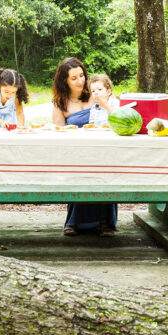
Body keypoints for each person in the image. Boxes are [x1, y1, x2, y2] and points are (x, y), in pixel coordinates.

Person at [51, 57, 117, 237]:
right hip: (76, 152)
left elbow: (115, 115)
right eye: (74, 78)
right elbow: (58, 132)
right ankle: (74, 221)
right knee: (80, 172)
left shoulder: (96, 93)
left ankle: (106, 222)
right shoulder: (61, 103)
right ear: (65, 81)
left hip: (102, 148)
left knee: (103, 172)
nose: (80, 81)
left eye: (82, 75)